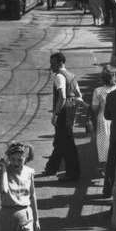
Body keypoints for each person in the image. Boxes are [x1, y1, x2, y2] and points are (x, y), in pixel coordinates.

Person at [44, 52, 82, 182]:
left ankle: (72, 173)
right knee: (61, 140)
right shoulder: (72, 76)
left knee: (67, 143)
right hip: (71, 111)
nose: (51, 67)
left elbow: (62, 97)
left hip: (63, 112)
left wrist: (55, 114)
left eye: (53, 64)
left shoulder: (59, 77)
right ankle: (51, 167)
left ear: (60, 63)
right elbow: (78, 94)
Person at [90, 67, 116, 177]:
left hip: (103, 119)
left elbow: (94, 108)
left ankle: (104, 166)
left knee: (103, 142)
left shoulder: (98, 91)